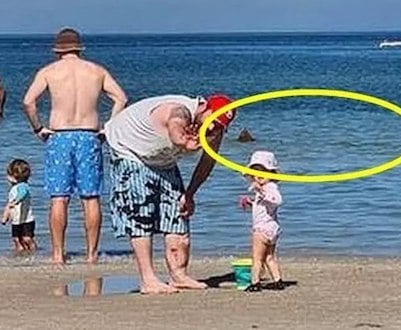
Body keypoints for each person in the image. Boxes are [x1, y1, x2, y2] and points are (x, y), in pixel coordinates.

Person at [104, 93, 236, 294]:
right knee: (141, 214)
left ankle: (179, 275)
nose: (212, 128)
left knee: (178, 213)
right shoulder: (180, 110)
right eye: (212, 121)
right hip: (129, 150)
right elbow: (176, 127)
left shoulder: (215, 131)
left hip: (162, 159)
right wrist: (184, 142)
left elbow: (207, 162)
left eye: (219, 126)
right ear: (204, 108)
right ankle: (148, 280)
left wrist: (190, 194)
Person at [22, 28, 127, 265]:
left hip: (60, 136)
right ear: (79, 48)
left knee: (59, 198)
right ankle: (92, 255)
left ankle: (58, 254)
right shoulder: (96, 71)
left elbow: (28, 102)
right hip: (89, 135)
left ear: (58, 50)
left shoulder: (49, 72)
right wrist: (107, 127)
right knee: (91, 198)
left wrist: (38, 128)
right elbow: (121, 97)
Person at [238, 151, 285, 292]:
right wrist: (251, 202)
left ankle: (255, 283)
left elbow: (277, 200)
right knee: (269, 257)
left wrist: (262, 192)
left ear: (271, 173)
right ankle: (278, 280)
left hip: (262, 228)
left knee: (257, 258)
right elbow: (264, 207)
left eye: (262, 173)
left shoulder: (270, 188)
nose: (258, 178)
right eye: (255, 174)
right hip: (271, 227)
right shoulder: (263, 189)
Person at [1, 159, 37, 252]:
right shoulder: (13, 188)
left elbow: (23, 193)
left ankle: (34, 251)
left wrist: (17, 201)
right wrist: (6, 217)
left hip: (27, 219)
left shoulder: (22, 186)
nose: (6, 177)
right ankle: (21, 254)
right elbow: (8, 205)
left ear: (14, 176)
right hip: (16, 220)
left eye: (8, 175)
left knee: (27, 238)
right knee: (17, 239)